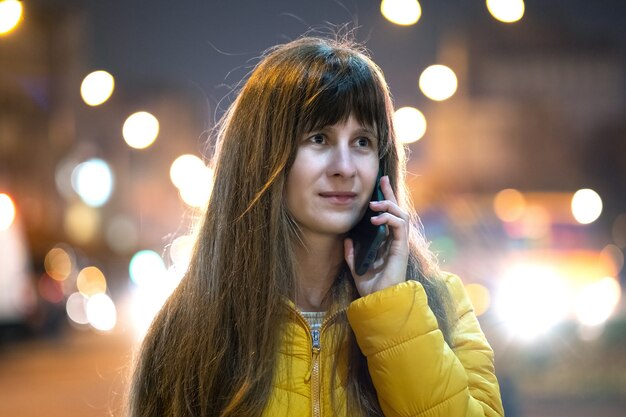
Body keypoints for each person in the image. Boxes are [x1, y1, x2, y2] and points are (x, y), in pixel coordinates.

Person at [128, 36, 504, 417]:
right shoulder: (191, 327)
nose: (344, 167)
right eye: (319, 138)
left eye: (362, 141)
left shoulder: (441, 304)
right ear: (262, 157)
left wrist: (392, 312)